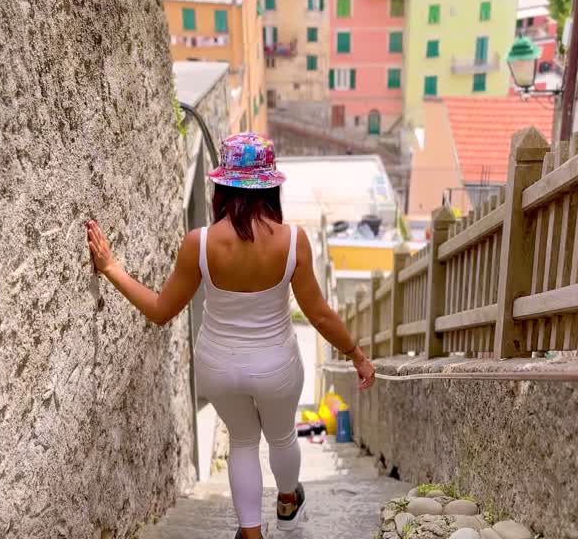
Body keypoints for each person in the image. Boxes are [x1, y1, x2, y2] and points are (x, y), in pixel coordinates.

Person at [85, 132, 376, 539]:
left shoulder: (199, 243)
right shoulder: (293, 242)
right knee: (281, 436)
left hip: (217, 365)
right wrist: (357, 354)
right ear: (271, 187)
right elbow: (321, 316)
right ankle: (288, 499)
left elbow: (160, 311)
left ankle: (251, 533)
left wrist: (112, 268)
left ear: (221, 185)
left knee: (241, 441)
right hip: (276, 364)